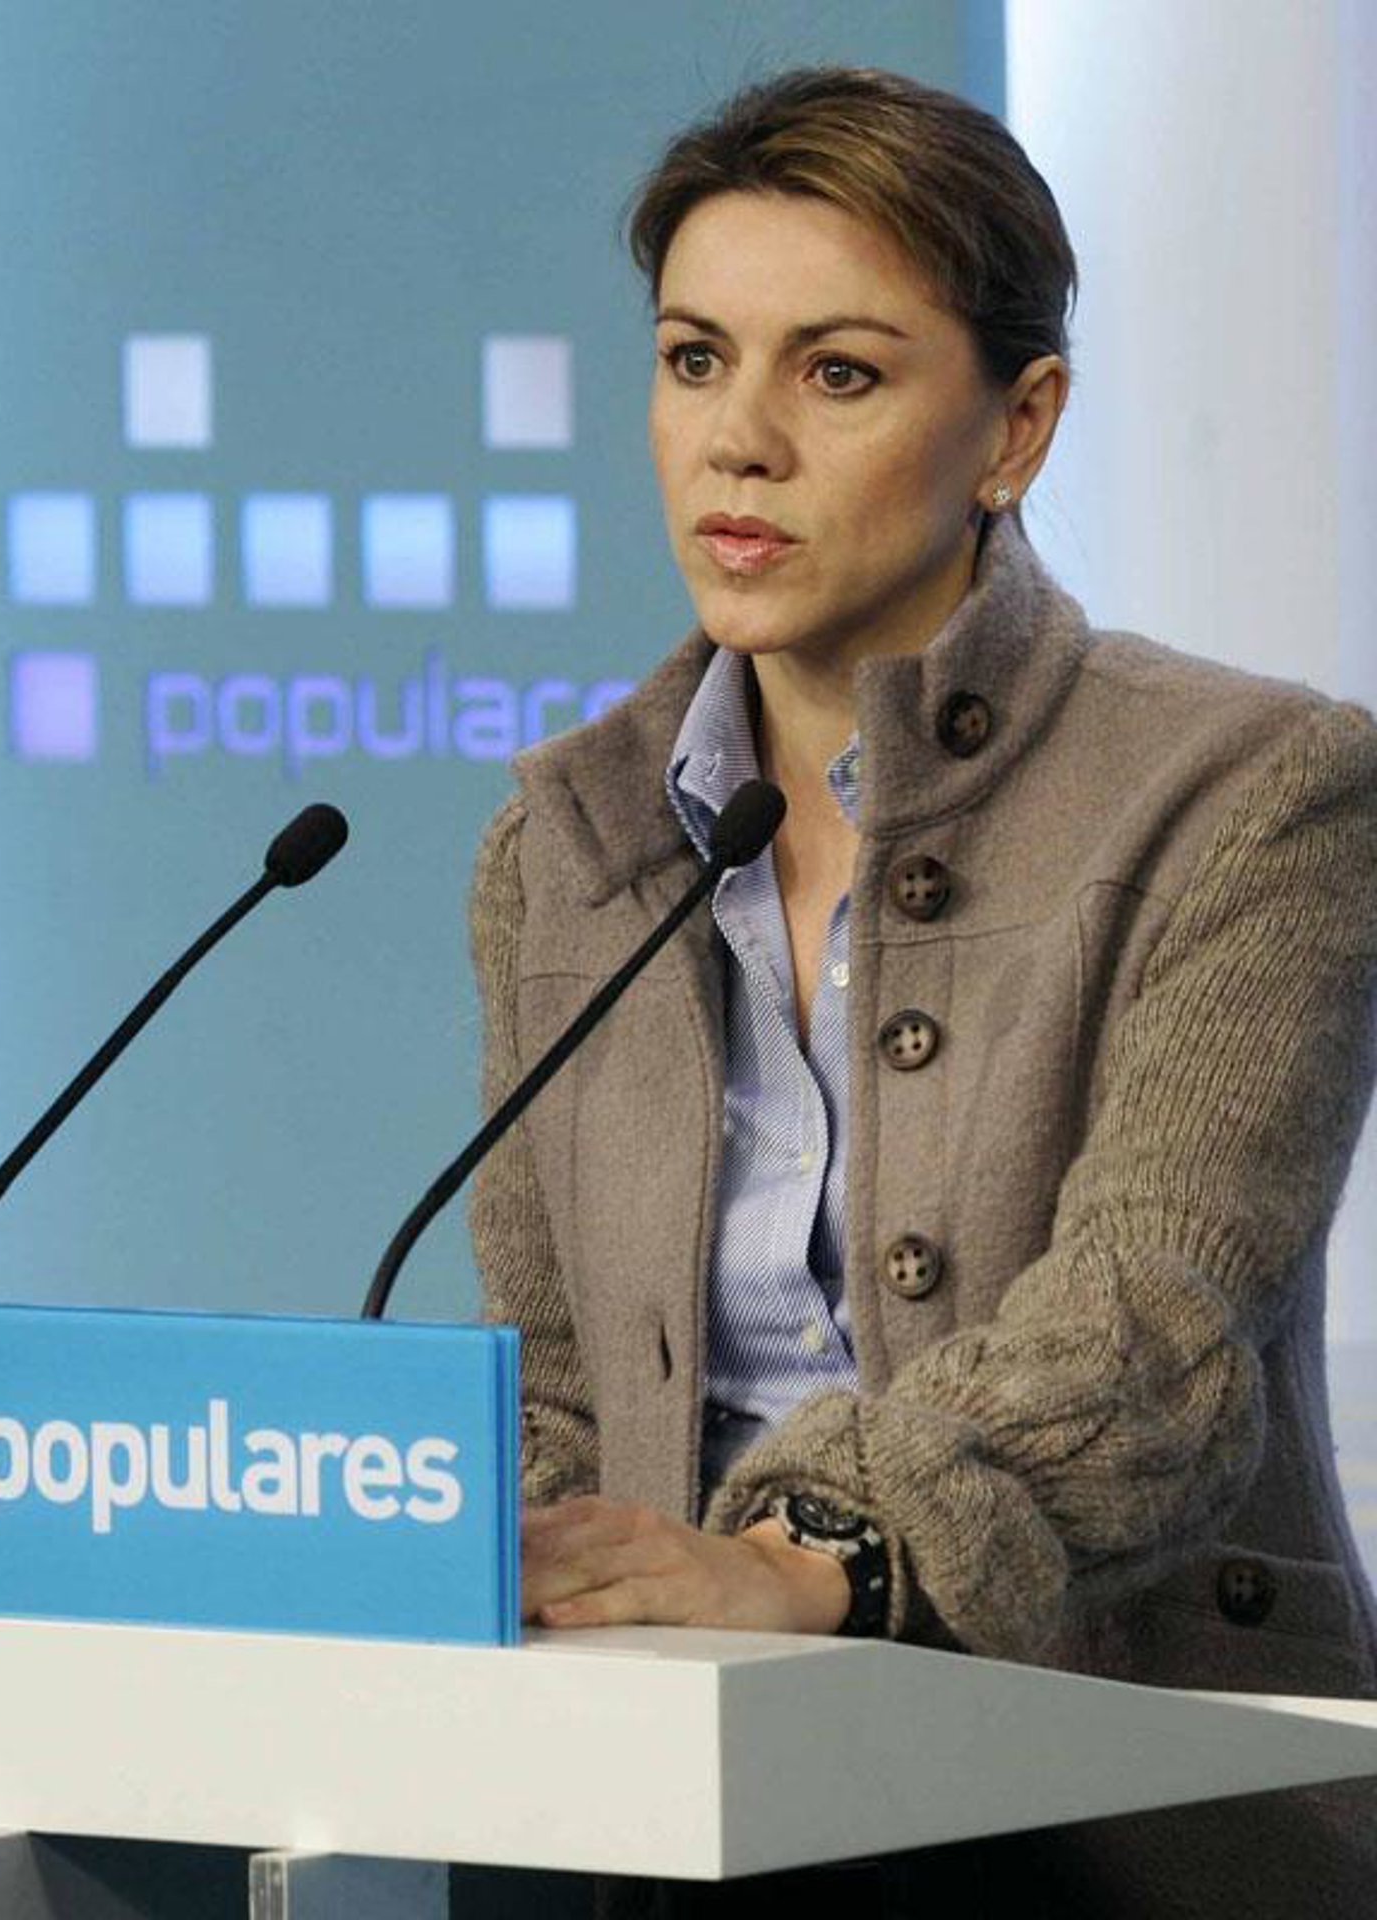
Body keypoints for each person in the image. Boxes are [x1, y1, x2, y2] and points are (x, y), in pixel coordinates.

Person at [468, 65, 1377, 1919]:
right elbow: (555, 1382)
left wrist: (812, 1554)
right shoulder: (564, 848)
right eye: (695, 360)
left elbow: (1156, 1337)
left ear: (1016, 427)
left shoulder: (1253, 791)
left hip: (1117, 1805)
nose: (738, 443)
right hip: (668, 1811)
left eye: (839, 373)